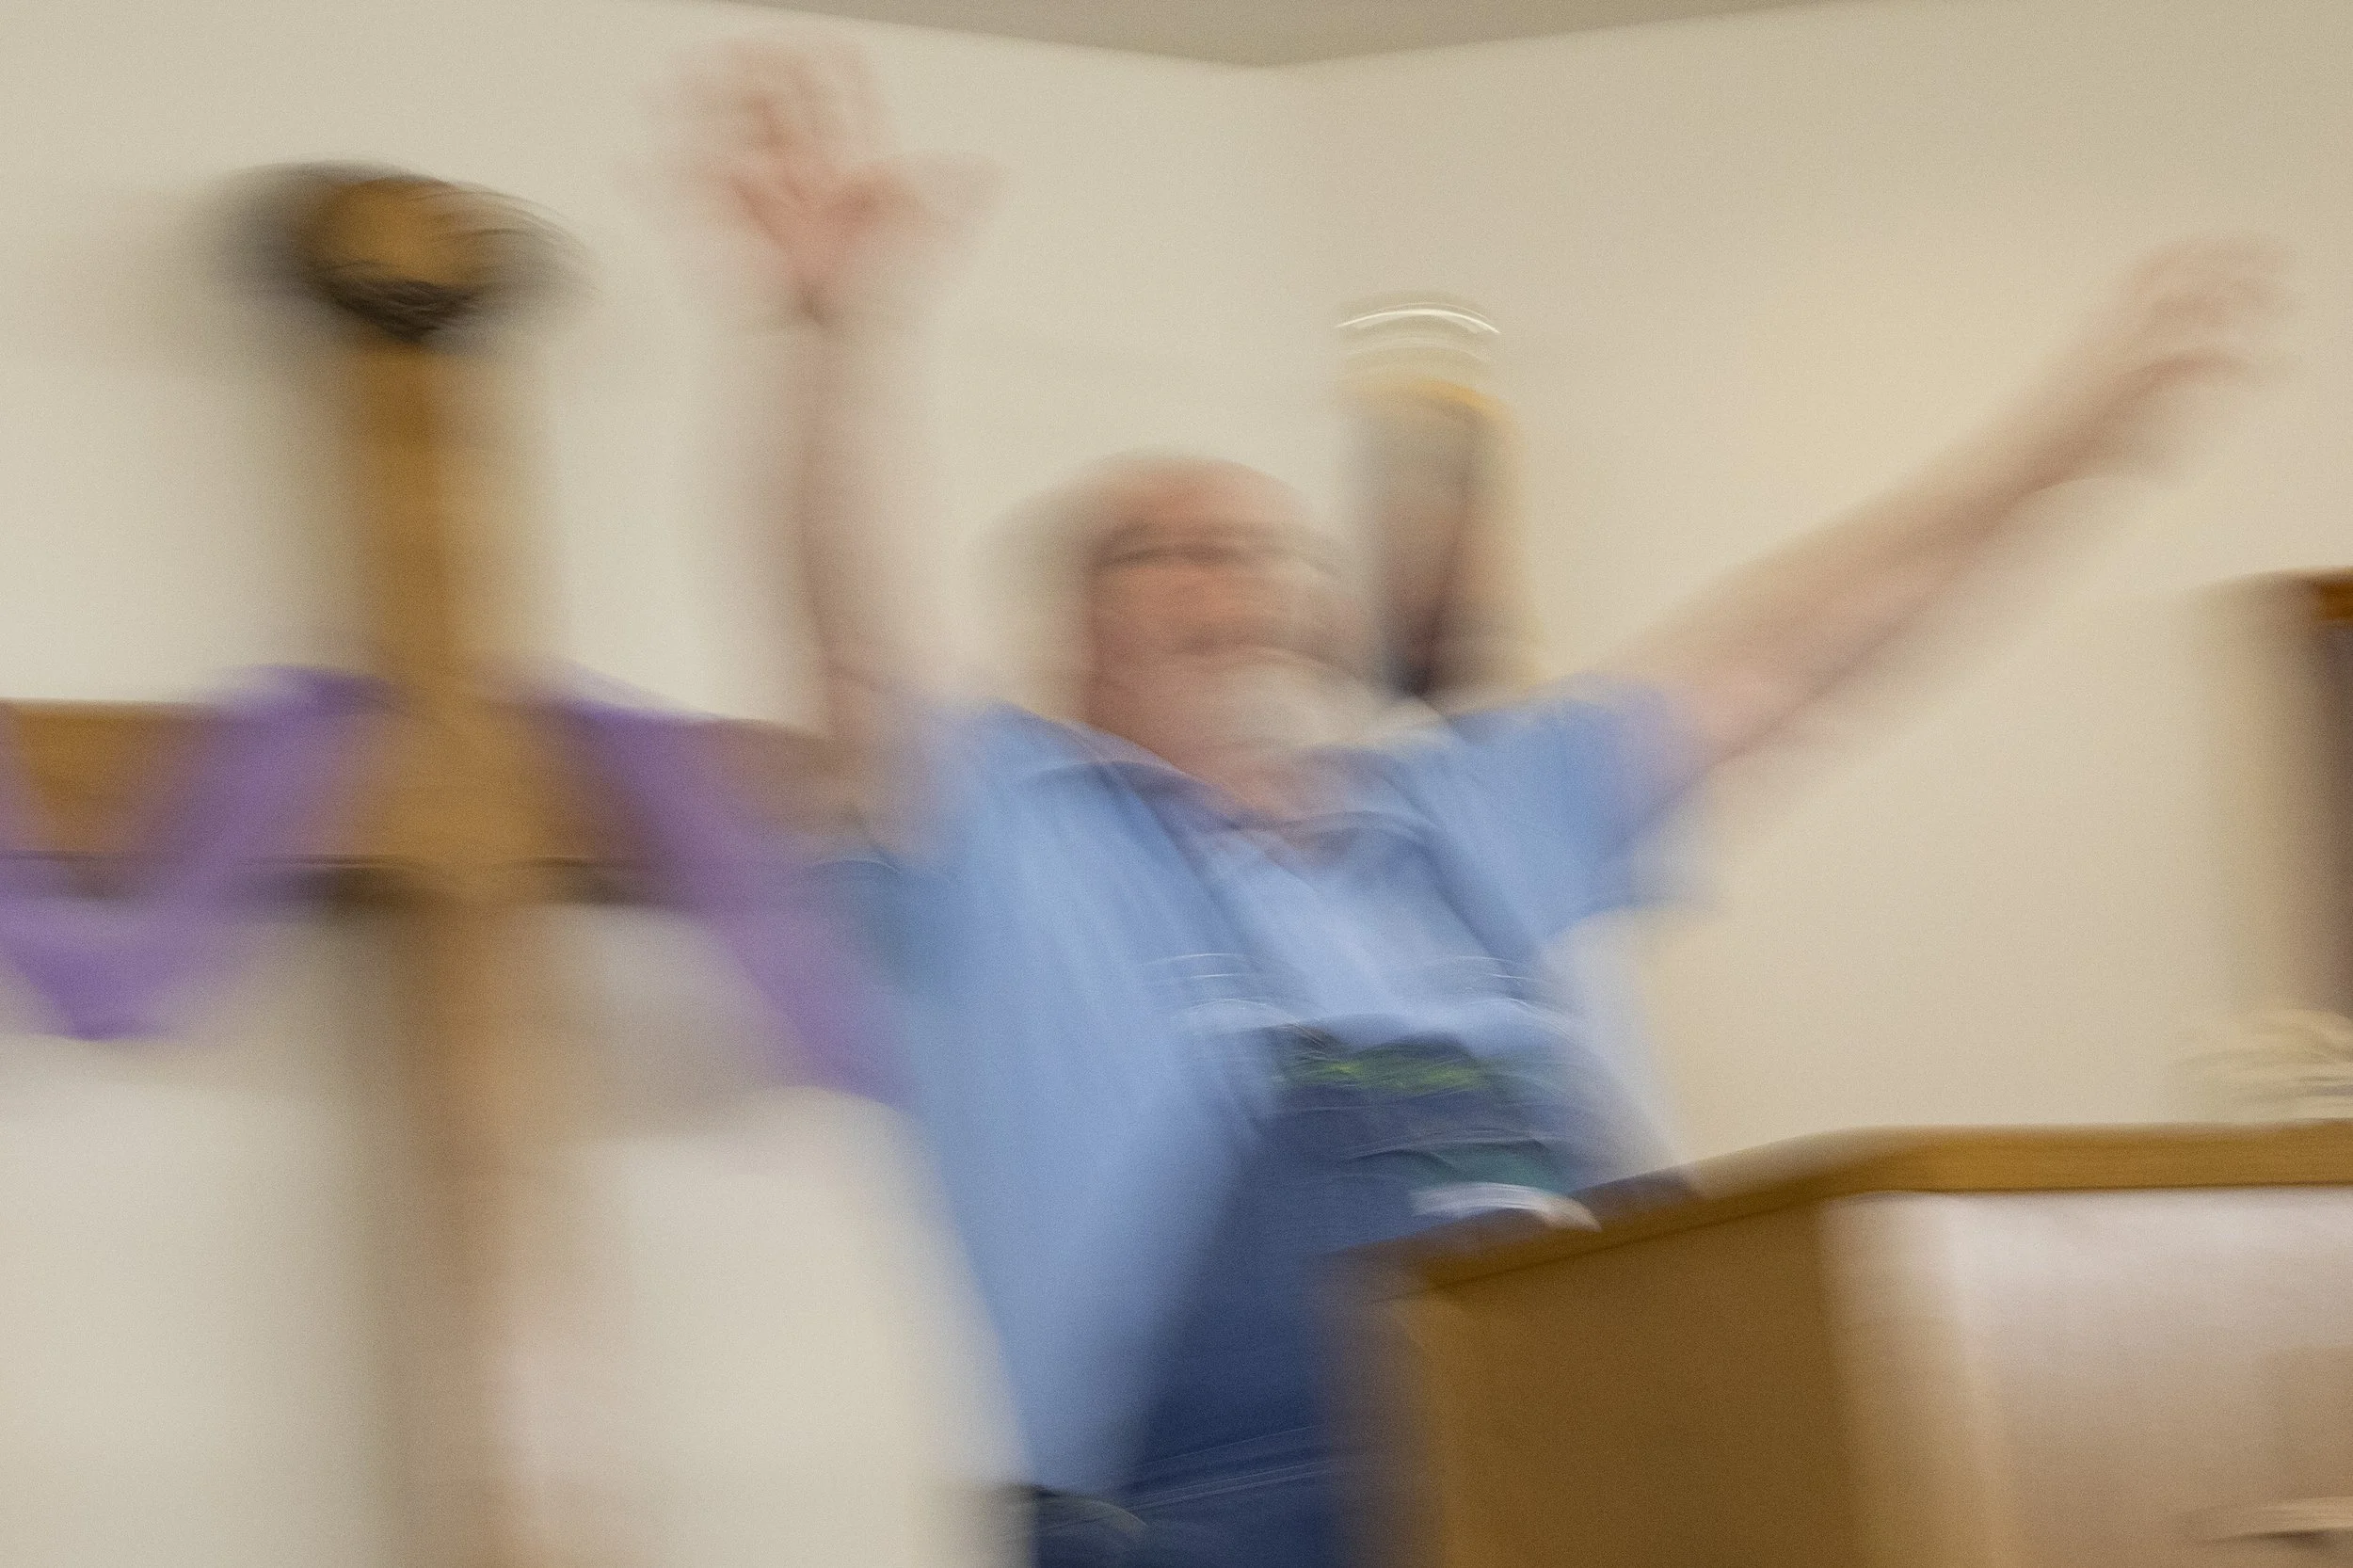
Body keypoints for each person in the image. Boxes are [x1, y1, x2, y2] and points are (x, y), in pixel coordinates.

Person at [664, 37, 2285, 1568]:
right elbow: (848, 632)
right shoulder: (998, 830)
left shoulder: (1471, 807)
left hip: (1594, 1483)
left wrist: (2068, 449)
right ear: (1067, 636)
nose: (1229, 575)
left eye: (1261, 545)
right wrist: (825, 337)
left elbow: (1800, 653)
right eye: (1163, 548)